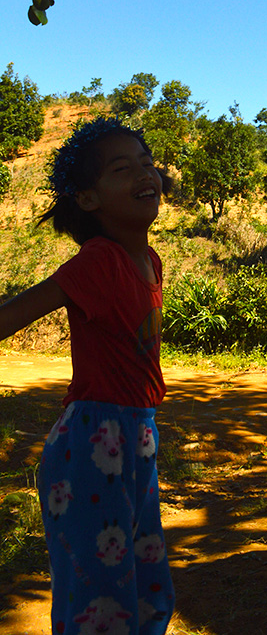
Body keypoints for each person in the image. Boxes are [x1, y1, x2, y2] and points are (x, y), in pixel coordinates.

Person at [0, 116, 175, 635]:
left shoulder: (149, 259)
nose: (145, 173)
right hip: (92, 444)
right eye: (122, 168)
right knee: (99, 597)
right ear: (89, 200)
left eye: (146, 162)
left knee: (145, 581)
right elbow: (13, 315)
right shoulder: (98, 262)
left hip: (137, 437)